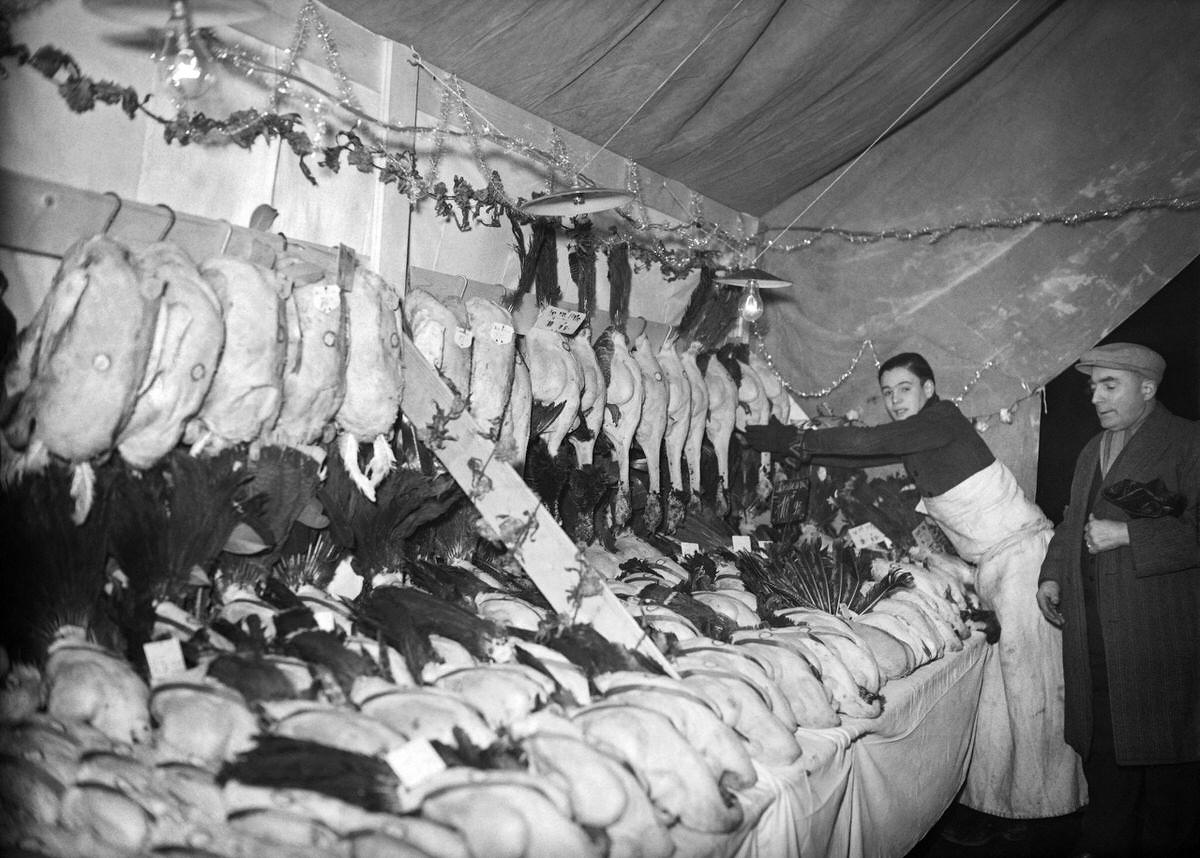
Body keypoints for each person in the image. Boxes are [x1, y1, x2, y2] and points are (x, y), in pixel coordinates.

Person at [745, 352, 1086, 834]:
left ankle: (1046, 809)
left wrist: (788, 437)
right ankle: (1002, 805)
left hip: (1025, 560)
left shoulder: (942, 420)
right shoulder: (918, 438)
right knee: (1002, 692)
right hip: (995, 565)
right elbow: (857, 450)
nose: (893, 399)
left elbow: (868, 439)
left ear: (928, 389)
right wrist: (799, 450)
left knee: (1031, 685)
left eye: (904, 388)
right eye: (887, 392)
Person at [1036, 342, 1200, 858]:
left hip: (1156, 636)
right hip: (1094, 635)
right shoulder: (1093, 449)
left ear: (1147, 389)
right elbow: (1071, 521)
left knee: (1165, 763)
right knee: (1104, 750)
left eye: (1110, 386)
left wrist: (1129, 535)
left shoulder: (1188, 442)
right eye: (1093, 387)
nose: (1096, 397)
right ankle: (1104, 841)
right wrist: (1052, 574)